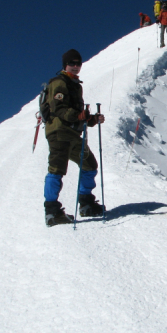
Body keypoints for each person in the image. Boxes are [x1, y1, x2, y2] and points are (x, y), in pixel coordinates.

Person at [43, 49, 105, 226]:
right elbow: (58, 108)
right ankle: (52, 212)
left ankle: (85, 203)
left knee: (90, 165)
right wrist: (78, 116)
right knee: (56, 169)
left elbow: (78, 115)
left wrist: (91, 119)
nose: (76, 66)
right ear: (65, 65)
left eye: (78, 63)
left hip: (73, 134)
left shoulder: (75, 85)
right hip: (59, 132)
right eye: (72, 63)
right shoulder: (59, 82)